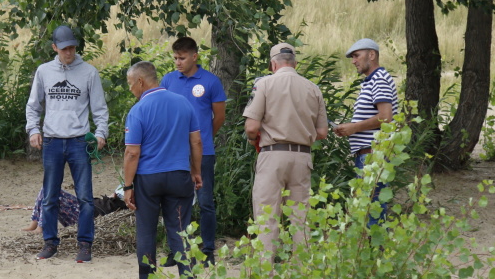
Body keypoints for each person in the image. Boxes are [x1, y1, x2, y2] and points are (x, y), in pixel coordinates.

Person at [25, 25, 109, 262]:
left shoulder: (89, 72)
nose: (69, 52)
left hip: (79, 141)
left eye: (72, 47)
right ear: (55, 48)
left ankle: (85, 244)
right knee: (50, 195)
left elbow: (100, 108)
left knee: (85, 196)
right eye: (64, 48)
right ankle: (50, 242)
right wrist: (34, 129)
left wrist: (100, 133)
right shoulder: (44, 72)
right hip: (52, 140)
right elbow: (34, 105)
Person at [243, 43, 329, 260]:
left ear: (273, 64)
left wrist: (254, 139)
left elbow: (252, 127)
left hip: (272, 155)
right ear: (295, 64)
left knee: (267, 216)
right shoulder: (313, 88)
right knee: (301, 218)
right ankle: (303, 275)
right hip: (302, 157)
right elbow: (322, 132)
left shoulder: (264, 84)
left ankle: (265, 273)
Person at [123, 61, 203, 279]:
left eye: (131, 84)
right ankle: (188, 277)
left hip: (148, 179)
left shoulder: (138, 110)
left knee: (146, 227)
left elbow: (132, 153)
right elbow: (196, 141)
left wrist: (128, 186)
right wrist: (196, 171)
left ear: (140, 81)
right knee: (180, 226)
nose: (131, 89)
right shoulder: (183, 103)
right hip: (179, 175)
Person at [160, 37, 226, 266]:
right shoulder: (168, 80)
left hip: (203, 151)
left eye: (182, 58)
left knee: (205, 201)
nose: (177, 62)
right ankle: (176, 251)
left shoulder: (211, 81)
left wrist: (204, 137)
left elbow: (219, 117)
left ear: (195, 56)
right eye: (175, 58)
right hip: (174, 153)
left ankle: (208, 251)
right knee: (174, 202)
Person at [333, 38, 399, 226]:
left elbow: (386, 117)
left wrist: (353, 128)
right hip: (369, 154)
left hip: (373, 155)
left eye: (356, 56)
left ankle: (374, 252)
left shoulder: (379, 78)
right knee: (368, 207)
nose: (353, 61)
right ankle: (370, 250)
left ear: (372, 55)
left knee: (373, 208)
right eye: (352, 57)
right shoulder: (371, 81)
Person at [22, 188, 128, 232]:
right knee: (47, 188)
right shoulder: (127, 184)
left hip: (88, 215)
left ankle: (41, 227)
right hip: (87, 206)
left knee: (51, 191)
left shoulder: (136, 193)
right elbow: (113, 195)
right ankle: (34, 224)